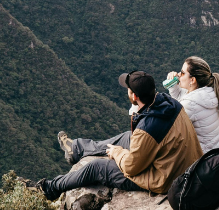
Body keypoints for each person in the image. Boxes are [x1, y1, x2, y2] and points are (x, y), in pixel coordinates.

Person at [37, 70, 202, 201]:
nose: (127, 92)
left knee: (97, 167)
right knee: (126, 137)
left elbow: (131, 167)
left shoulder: (147, 129)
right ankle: (77, 149)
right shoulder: (170, 103)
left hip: (166, 178)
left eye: (128, 90)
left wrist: (117, 153)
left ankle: (50, 188)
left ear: (134, 96)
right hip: (183, 164)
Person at [166, 56, 219, 152]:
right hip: (217, 151)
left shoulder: (190, 104)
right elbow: (180, 97)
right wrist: (173, 86)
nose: (178, 75)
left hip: (204, 158)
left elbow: (172, 131)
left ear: (192, 80)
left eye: (182, 73)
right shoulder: (208, 92)